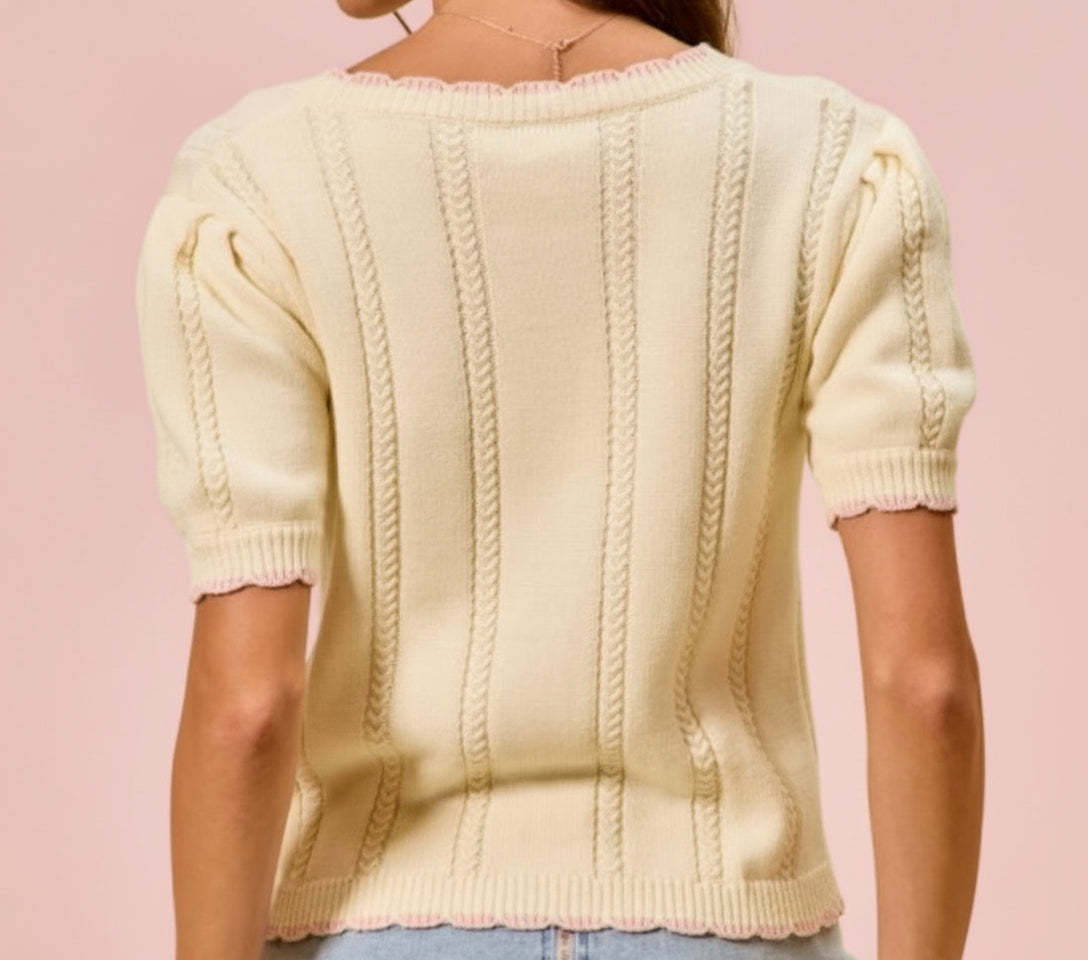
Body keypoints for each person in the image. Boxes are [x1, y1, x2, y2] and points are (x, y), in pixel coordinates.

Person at [133, 1, 985, 959]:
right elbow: (925, 684)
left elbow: (246, 707)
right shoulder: (833, 164)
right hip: (731, 923)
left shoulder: (256, 185)